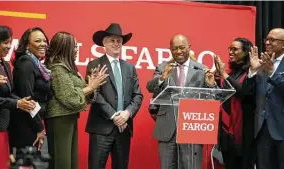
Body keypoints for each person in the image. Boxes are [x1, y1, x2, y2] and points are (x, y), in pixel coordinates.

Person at [146, 34, 216, 169]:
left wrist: (211, 85)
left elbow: (212, 98)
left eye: (182, 48)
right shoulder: (162, 67)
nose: (178, 51)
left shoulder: (201, 69)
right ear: (170, 49)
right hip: (167, 128)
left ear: (189, 48)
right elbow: (150, 87)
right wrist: (162, 77)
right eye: (175, 48)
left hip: (191, 128)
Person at [44, 31, 108, 169]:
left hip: (68, 119)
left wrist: (91, 84)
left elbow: (82, 94)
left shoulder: (67, 69)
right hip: (59, 119)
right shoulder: (57, 69)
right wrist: (90, 87)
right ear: (65, 47)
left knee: (70, 162)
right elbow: (70, 98)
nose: (77, 49)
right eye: (74, 46)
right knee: (62, 163)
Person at [85, 23, 143, 169]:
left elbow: (138, 95)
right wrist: (114, 116)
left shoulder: (130, 68)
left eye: (119, 41)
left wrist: (127, 114)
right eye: (112, 40)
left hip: (123, 129)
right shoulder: (94, 65)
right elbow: (94, 95)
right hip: (101, 128)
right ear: (104, 43)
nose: (116, 44)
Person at [0, 24, 36, 169]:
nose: (9, 46)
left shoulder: (4, 63)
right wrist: (17, 104)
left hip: (4, 125)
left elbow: (8, 92)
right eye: (5, 42)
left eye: (10, 42)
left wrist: (22, 101)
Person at [243, 28, 284, 169]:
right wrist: (253, 71)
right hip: (261, 128)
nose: (267, 42)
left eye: (272, 40)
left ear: (283, 44)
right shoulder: (261, 62)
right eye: (266, 39)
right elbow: (247, 93)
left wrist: (272, 73)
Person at [214, 38, 256, 169]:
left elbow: (243, 92)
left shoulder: (252, 72)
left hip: (244, 131)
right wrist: (214, 82)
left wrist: (223, 74)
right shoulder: (231, 73)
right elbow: (223, 98)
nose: (230, 52)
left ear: (245, 53)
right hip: (226, 131)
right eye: (230, 49)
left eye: (235, 49)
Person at [9, 27, 50, 152]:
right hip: (25, 125)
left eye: (44, 40)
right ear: (27, 44)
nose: (43, 44)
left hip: (32, 122)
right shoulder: (26, 63)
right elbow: (28, 99)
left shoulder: (35, 63)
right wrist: (38, 127)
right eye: (38, 41)